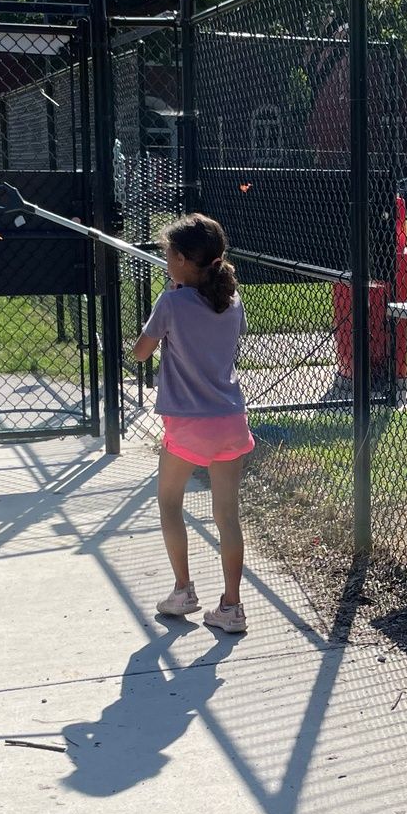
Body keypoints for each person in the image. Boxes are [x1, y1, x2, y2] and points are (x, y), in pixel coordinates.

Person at [130, 213, 253, 635]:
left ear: (183, 259)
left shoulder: (171, 302)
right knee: (227, 516)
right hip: (231, 421)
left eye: (168, 253)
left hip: (188, 426)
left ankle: (183, 589)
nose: (165, 258)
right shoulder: (232, 300)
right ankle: (231, 607)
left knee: (169, 502)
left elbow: (141, 353)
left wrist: (169, 302)